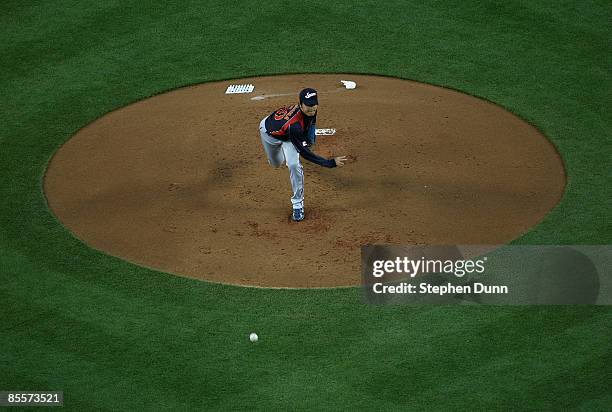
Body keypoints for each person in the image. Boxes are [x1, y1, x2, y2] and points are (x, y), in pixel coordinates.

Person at [258, 88, 347, 222]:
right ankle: (284, 150)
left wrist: (310, 138)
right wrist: (330, 163)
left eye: (313, 105)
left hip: (289, 136)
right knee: (277, 163)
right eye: (308, 106)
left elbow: (312, 121)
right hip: (270, 133)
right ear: (300, 104)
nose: (311, 109)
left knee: (293, 164)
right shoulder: (294, 126)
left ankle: (297, 204)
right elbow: (305, 154)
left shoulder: (312, 110)